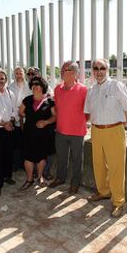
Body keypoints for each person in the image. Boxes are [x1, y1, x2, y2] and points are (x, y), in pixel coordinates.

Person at [84, 58, 127, 218]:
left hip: (114, 130)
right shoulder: (91, 90)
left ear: (107, 70)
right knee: (98, 164)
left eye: (102, 68)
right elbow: (87, 112)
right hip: (96, 131)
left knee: (116, 167)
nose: (99, 71)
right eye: (96, 68)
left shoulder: (116, 86)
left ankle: (118, 201)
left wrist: (123, 124)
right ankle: (103, 192)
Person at [49, 61, 87, 195]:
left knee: (77, 160)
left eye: (64, 69)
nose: (61, 72)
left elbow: (87, 112)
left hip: (77, 132)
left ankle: (75, 184)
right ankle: (60, 178)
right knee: (61, 158)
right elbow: (58, 108)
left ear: (73, 73)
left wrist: (78, 122)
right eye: (62, 69)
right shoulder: (57, 89)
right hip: (60, 131)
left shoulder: (83, 90)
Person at [19, 76, 56, 190]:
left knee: (41, 157)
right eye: (33, 84)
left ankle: (40, 177)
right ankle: (29, 179)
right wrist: (30, 118)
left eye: (37, 84)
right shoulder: (27, 99)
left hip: (43, 134)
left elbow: (55, 117)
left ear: (43, 86)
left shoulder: (49, 101)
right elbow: (21, 113)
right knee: (28, 157)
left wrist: (45, 122)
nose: (34, 86)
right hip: (29, 133)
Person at [25, 67, 55, 180]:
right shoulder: (25, 87)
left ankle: (44, 172)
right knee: (32, 150)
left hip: (45, 126)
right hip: (30, 126)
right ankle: (33, 173)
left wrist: (46, 121)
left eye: (34, 73)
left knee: (46, 151)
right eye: (30, 73)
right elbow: (21, 110)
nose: (32, 75)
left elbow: (51, 104)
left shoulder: (47, 87)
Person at [8, 66, 30, 171]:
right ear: (14, 75)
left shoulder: (30, 86)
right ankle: (17, 165)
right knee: (17, 144)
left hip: (28, 119)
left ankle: (27, 165)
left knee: (27, 143)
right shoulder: (10, 87)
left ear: (24, 74)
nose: (19, 75)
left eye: (20, 73)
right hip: (16, 120)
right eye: (16, 73)